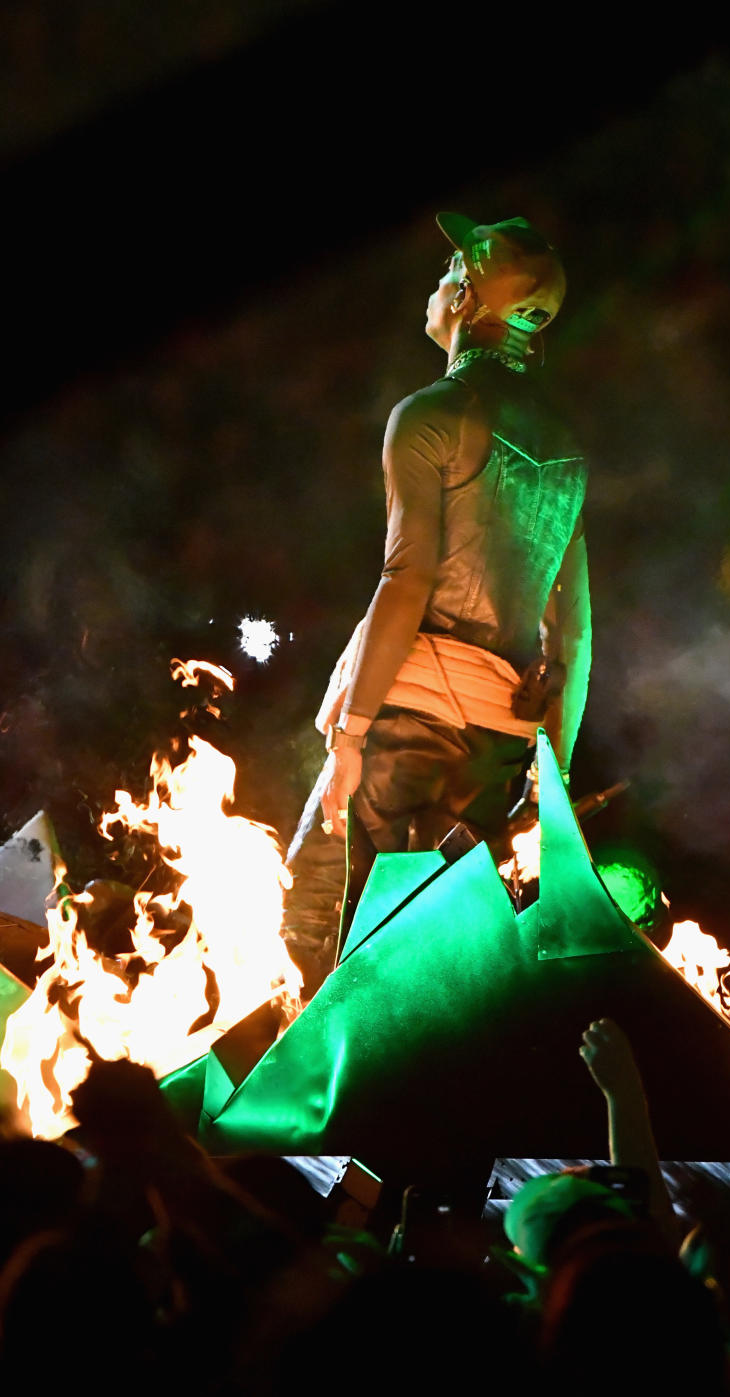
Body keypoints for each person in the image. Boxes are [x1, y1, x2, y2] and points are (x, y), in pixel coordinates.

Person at [284, 213, 591, 982]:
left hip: (402, 732)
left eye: (448, 268)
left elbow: (407, 579)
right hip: (495, 753)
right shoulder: (568, 450)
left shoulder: (431, 415)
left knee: (316, 930)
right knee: (427, 972)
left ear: (466, 296)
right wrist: (549, 782)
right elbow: (576, 634)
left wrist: (352, 733)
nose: (436, 282)